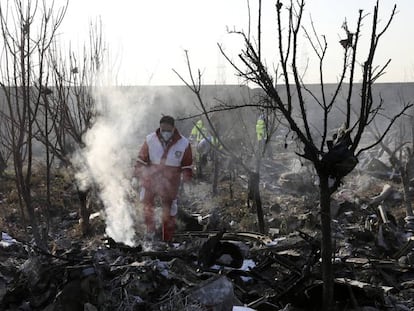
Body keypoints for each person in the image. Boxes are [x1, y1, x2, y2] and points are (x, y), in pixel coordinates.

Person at [134, 115, 193, 241]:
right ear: (159, 128)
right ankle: (150, 233)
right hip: (151, 179)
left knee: (169, 210)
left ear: (173, 128)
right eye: (162, 129)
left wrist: (187, 182)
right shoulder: (150, 140)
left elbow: (187, 165)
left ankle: (167, 239)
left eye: (167, 130)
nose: (165, 132)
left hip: (171, 183)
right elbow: (141, 160)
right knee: (147, 205)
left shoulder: (184, 143)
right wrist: (136, 176)